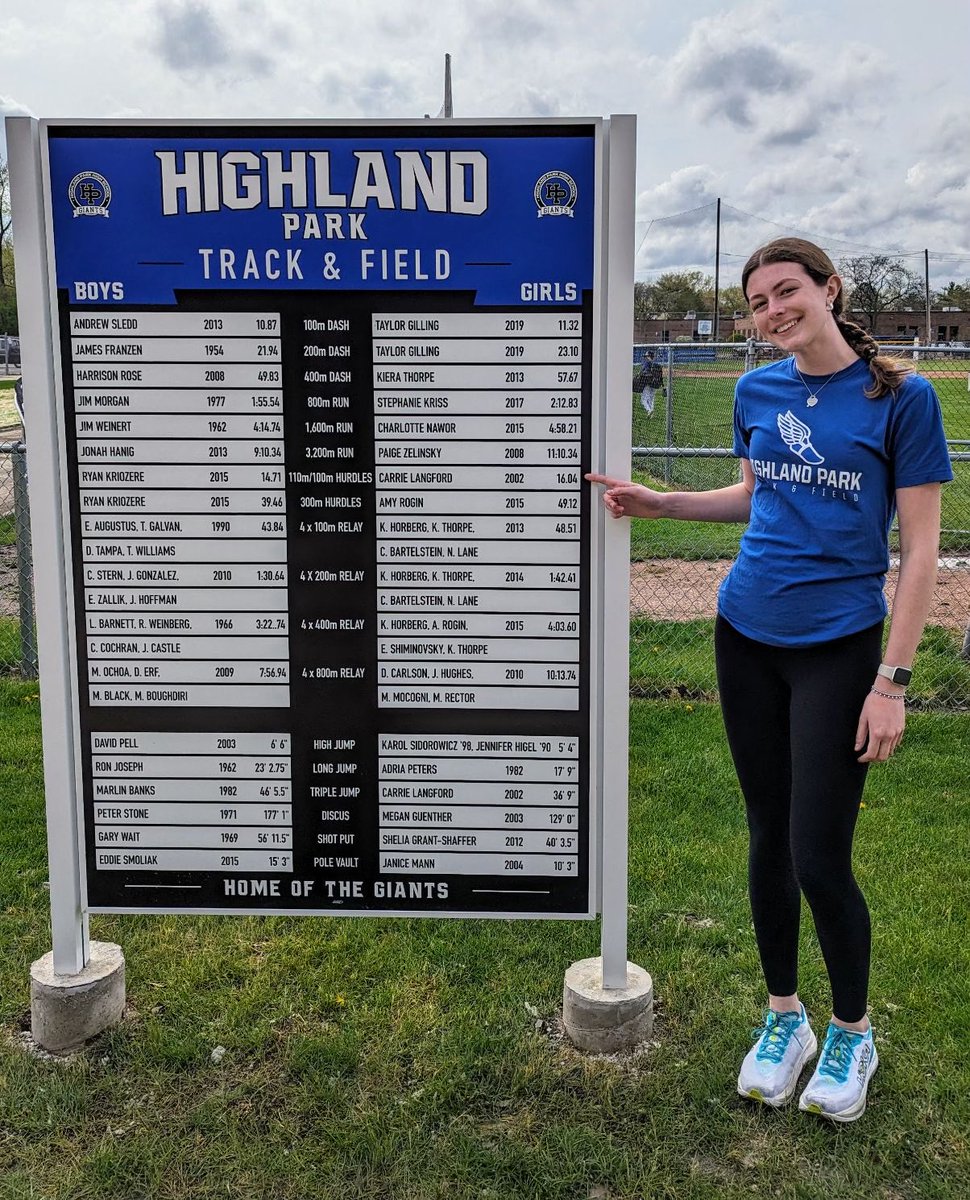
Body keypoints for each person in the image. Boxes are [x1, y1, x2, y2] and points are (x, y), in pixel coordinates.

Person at [588, 237, 952, 1123]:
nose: (772, 311)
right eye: (757, 302)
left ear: (830, 289)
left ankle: (854, 1033)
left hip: (840, 644)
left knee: (819, 851)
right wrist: (662, 502)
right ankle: (783, 1018)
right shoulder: (758, 390)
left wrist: (892, 682)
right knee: (765, 836)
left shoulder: (901, 398)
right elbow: (759, 492)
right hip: (745, 631)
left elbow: (920, 553)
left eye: (786, 291)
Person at [635, 350, 663, 415]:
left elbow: (643, 371)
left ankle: (649, 410)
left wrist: (638, 375)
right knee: (651, 398)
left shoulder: (647, 363)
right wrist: (662, 385)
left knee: (643, 400)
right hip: (655, 383)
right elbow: (661, 376)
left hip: (647, 383)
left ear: (648, 356)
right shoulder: (657, 365)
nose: (645, 358)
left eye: (646, 356)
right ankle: (651, 411)